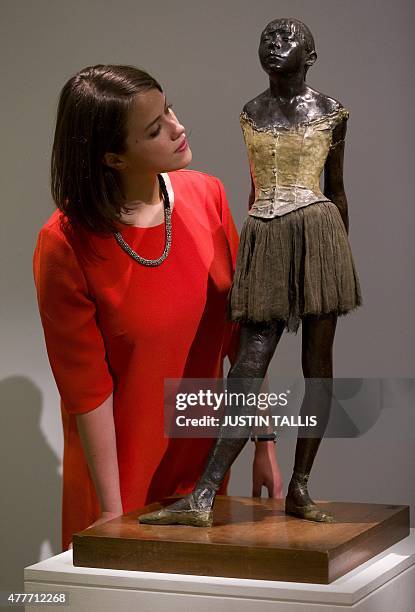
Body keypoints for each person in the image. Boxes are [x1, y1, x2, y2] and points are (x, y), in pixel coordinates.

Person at [33, 64, 283, 551]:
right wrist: (111, 512)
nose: (177, 126)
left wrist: (264, 442)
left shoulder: (206, 195)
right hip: (119, 480)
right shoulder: (65, 243)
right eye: (154, 129)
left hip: (204, 470)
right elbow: (87, 390)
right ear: (113, 158)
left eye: (168, 108)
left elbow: (243, 338)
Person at [139, 17, 361, 527]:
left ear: (310, 54)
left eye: (288, 38)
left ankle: (300, 488)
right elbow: (255, 186)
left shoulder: (331, 112)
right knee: (246, 367)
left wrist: (339, 260)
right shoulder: (251, 113)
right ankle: (204, 494)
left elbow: (338, 187)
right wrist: (254, 254)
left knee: (318, 369)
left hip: (320, 236)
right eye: (268, 37)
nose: (276, 44)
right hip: (266, 232)